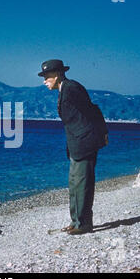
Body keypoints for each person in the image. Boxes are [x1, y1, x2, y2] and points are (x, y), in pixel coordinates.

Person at [38, 59, 108, 235]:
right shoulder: (64, 90)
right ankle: (75, 221)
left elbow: (93, 109)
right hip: (76, 144)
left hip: (85, 142)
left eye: (47, 77)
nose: (44, 81)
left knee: (83, 184)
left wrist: (103, 133)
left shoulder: (71, 88)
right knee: (75, 184)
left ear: (58, 75)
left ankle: (84, 224)